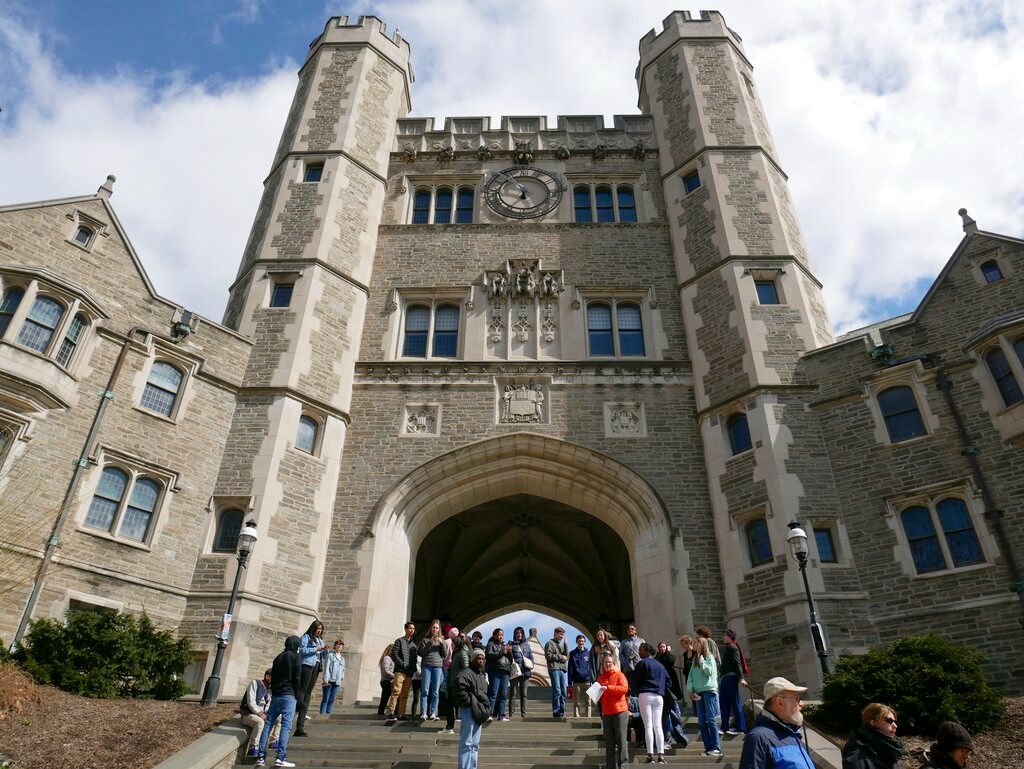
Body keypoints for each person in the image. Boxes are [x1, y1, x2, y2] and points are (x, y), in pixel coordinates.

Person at [738, 676, 814, 769]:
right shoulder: (759, 738)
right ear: (780, 702)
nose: (801, 704)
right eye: (796, 698)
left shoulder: (792, 735)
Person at [255, 635, 302, 768]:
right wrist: (297, 695)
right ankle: (280, 757)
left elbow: (273, 676)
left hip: (276, 696)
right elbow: (297, 677)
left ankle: (261, 757)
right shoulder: (296, 657)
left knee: (268, 725)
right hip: (289, 695)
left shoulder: (278, 657)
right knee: (286, 726)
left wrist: (274, 690)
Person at [453, 648, 490, 769]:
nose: (481, 661)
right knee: (466, 743)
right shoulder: (465, 673)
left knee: (474, 745)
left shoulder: (481, 676)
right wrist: (469, 702)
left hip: (479, 712)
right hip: (469, 710)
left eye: (482, 659)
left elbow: (484, 694)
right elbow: (458, 689)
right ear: (473, 660)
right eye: (478, 658)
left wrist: (483, 706)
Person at [842, 703, 905, 769]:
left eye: (895, 722)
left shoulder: (889, 748)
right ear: (873, 722)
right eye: (889, 721)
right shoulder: (857, 756)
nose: (895, 726)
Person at [634, 642, 668, 764]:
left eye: (640, 649)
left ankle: (650, 755)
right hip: (659, 696)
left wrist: (635, 691)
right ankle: (661, 755)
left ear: (646, 650)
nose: (639, 652)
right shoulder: (660, 665)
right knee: (658, 725)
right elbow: (668, 681)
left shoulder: (641, 663)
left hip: (645, 694)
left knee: (648, 725)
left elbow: (636, 681)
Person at [687, 637, 721, 758]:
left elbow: (709, 672)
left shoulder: (709, 657)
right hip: (698, 693)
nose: (694, 644)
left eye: (696, 642)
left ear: (702, 644)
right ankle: (708, 748)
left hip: (709, 691)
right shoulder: (695, 659)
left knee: (711, 719)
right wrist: (690, 689)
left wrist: (702, 661)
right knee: (701, 722)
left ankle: (716, 748)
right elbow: (691, 676)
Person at [596, 652, 630, 769]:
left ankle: (623, 766)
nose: (607, 664)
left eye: (609, 662)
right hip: (606, 713)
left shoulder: (619, 675)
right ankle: (610, 766)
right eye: (605, 662)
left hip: (620, 712)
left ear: (614, 663)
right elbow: (598, 695)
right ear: (602, 664)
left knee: (621, 740)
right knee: (609, 742)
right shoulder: (600, 678)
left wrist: (608, 687)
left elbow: (624, 689)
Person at [294, 620, 325, 736]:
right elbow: (302, 650)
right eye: (318, 629)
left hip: (316, 665)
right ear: (313, 628)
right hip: (307, 664)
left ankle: (300, 726)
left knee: (308, 693)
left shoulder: (320, 640)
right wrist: (316, 649)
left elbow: (322, 654)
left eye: (321, 629)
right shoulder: (306, 637)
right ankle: (296, 710)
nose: (319, 631)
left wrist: (325, 650)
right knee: (302, 691)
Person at [241, 668, 279, 758]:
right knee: (259, 722)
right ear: (267, 676)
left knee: (279, 717)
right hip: (248, 714)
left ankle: (274, 741)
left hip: (262, 714)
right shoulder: (255, 683)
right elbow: (251, 702)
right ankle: (253, 747)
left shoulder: (270, 690)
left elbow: (268, 704)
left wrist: (268, 713)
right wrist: (259, 713)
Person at [385, 621, 418, 724]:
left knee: (405, 694)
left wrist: (412, 669)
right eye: (410, 628)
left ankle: (402, 714)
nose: (412, 630)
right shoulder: (399, 641)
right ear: (406, 629)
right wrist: (403, 664)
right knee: (396, 691)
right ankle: (391, 712)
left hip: (409, 673)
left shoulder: (414, 645)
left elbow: (414, 659)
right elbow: (394, 654)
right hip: (400, 671)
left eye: (413, 628)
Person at [720, 629, 748, 734]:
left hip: (731, 678)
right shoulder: (728, 647)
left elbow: (738, 663)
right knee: (724, 703)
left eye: (724, 635)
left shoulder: (732, 647)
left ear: (729, 636)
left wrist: (741, 678)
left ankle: (740, 728)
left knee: (735, 703)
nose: (722, 637)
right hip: (725, 679)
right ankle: (724, 727)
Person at [443, 632, 471, 734]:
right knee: (450, 705)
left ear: (456, 644)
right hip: (454, 683)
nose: (451, 645)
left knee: (450, 705)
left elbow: (466, 668)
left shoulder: (462, 653)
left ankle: (450, 727)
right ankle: (450, 726)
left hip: (459, 684)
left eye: (452, 643)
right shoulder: (457, 653)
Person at [419, 618, 446, 721]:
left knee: (435, 692)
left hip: (438, 667)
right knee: (425, 690)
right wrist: (430, 642)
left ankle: (433, 713)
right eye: (433, 628)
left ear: (439, 630)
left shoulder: (442, 640)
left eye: (437, 628)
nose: (435, 630)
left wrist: (442, 644)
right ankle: (424, 713)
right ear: (431, 629)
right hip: (427, 666)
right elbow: (421, 653)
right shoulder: (425, 640)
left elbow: (444, 654)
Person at [485, 628, 513, 721]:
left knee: (503, 694)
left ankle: (502, 715)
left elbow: (510, 660)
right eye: (499, 635)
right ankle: (489, 714)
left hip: (505, 671)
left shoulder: (504, 645)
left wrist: (510, 652)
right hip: (495, 670)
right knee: (493, 693)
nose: (501, 637)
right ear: (495, 636)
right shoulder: (490, 644)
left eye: (502, 635)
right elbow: (488, 655)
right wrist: (502, 652)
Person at [508, 626, 534, 718]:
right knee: (513, 694)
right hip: (515, 672)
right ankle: (511, 714)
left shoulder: (527, 645)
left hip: (525, 672)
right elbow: (509, 658)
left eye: (521, 633)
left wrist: (531, 665)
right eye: (517, 633)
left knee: (524, 694)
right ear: (515, 634)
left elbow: (531, 657)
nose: (519, 635)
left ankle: (524, 714)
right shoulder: (511, 644)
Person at [545, 626, 569, 718]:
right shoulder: (549, 643)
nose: (562, 636)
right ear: (555, 633)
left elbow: (566, 656)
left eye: (563, 635)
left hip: (562, 669)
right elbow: (548, 655)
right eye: (560, 634)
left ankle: (561, 712)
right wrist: (560, 657)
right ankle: (556, 711)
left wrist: (566, 644)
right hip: (554, 668)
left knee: (563, 691)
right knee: (557, 690)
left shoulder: (562, 645)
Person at [568, 634, 592, 717]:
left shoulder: (589, 653)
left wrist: (592, 679)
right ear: (576, 642)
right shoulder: (572, 653)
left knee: (588, 701)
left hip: (587, 681)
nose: (581, 643)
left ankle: (588, 717)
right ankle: (576, 717)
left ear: (584, 642)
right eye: (579, 641)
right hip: (576, 681)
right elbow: (570, 668)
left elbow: (591, 667)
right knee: (576, 702)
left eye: (582, 641)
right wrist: (569, 682)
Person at [320, 639, 345, 715]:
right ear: (335, 646)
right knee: (325, 699)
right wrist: (325, 678)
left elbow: (343, 670)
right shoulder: (330, 655)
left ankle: (328, 714)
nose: (339, 646)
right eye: (338, 644)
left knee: (332, 699)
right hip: (329, 680)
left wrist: (342, 677)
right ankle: (322, 715)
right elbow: (326, 667)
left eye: (341, 645)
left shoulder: (342, 659)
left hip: (337, 681)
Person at [378, 643, 394, 716]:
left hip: (387, 680)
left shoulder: (388, 658)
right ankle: (382, 712)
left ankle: (381, 712)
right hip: (386, 681)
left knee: (385, 698)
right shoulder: (387, 658)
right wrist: (394, 676)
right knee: (385, 698)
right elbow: (386, 670)